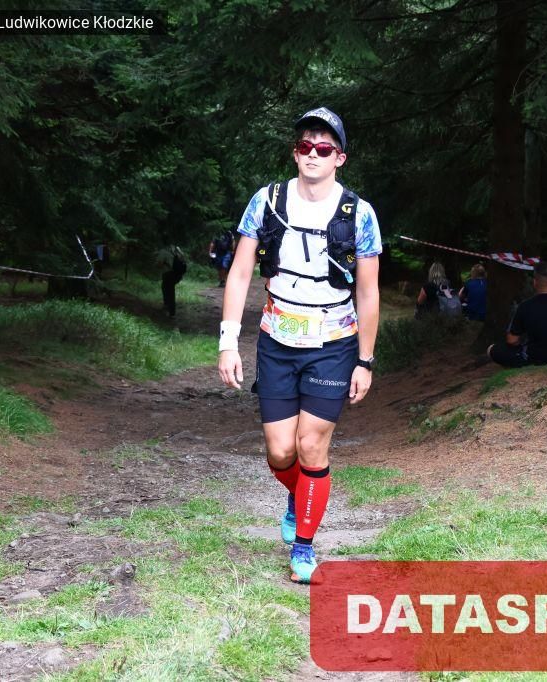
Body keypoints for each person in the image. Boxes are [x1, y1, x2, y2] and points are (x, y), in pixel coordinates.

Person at [217, 107, 381, 584]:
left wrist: (365, 360)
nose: (313, 154)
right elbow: (241, 272)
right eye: (306, 146)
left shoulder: (359, 214)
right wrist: (228, 343)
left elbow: (368, 292)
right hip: (277, 341)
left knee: (311, 445)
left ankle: (304, 546)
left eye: (324, 148)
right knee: (280, 452)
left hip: (334, 343)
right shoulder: (267, 201)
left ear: (339, 158)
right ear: (295, 153)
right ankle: (298, 494)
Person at [487, 260, 547, 367]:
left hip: (536, 359)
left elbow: (512, 340)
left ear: (535, 282)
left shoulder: (525, 306)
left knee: (492, 349)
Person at [158, 245, 187, 318]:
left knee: (169, 292)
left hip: (168, 274)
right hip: (176, 275)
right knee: (165, 288)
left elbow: (159, 263)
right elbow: (183, 260)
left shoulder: (163, 251)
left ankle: (171, 312)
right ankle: (167, 307)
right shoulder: (176, 250)